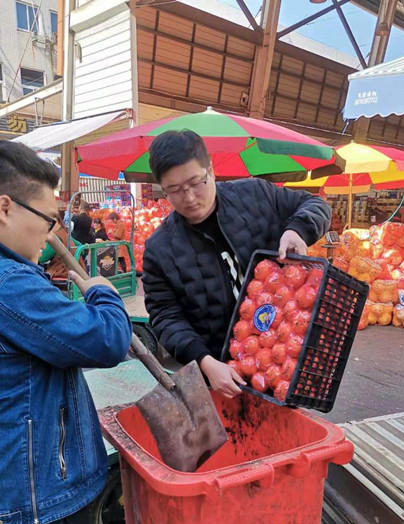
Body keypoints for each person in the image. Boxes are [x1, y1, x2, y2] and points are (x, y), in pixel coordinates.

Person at [0, 141, 132, 524]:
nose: (51, 234)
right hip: (32, 503)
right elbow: (105, 340)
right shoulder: (3, 282)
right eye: (47, 219)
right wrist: (104, 293)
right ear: (4, 207)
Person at [142, 130, 331, 399]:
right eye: (175, 190)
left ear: (211, 170)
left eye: (196, 183)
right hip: (221, 375)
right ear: (163, 189)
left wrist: (297, 230)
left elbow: (315, 204)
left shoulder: (256, 196)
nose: (190, 197)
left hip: (285, 358)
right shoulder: (159, 250)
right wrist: (205, 362)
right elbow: (165, 317)